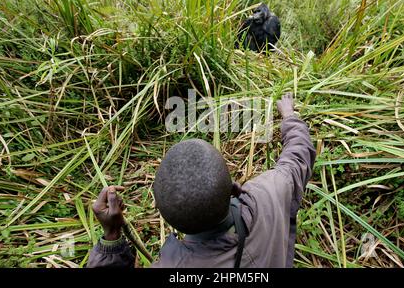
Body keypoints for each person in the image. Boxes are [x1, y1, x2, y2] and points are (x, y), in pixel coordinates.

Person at [87, 92, 316, 268]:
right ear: (234, 188)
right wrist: (289, 115)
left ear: (162, 215)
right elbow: (297, 155)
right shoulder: (268, 194)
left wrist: (112, 236)